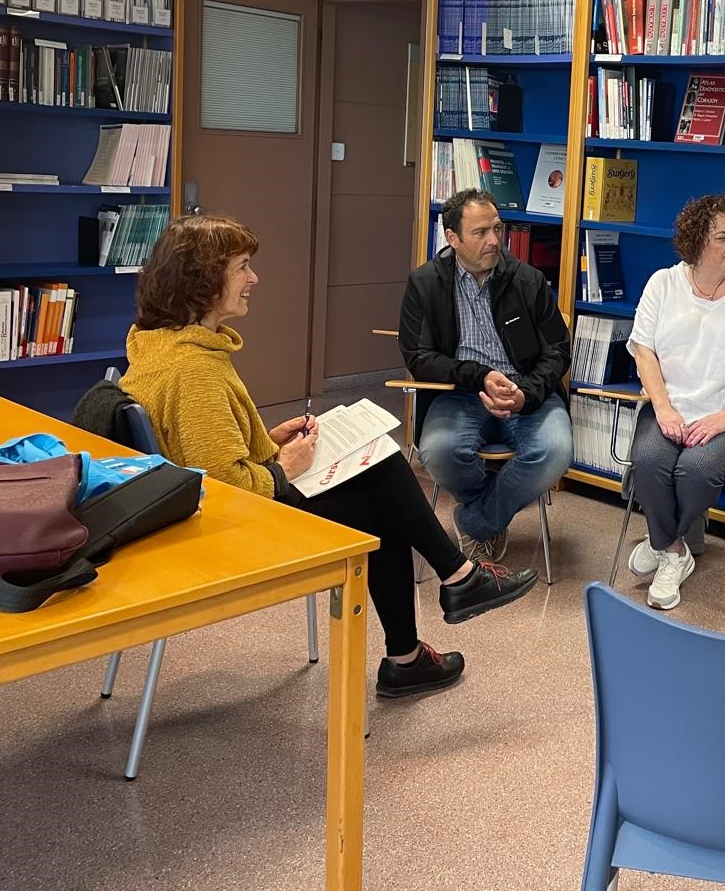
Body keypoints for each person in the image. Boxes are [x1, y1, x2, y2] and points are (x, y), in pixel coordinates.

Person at [120, 214, 537, 701]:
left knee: (380, 478)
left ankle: (429, 623)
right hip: (229, 528)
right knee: (384, 494)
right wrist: (282, 467)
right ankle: (446, 595)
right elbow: (227, 488)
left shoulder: (161, 345)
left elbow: (205, 446)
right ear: (203, 280)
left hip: (214, 508)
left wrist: (265, 441)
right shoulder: (194, 370)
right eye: (242, 268)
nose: (254, 279)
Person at [624, 194, 725, 610]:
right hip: (672, 406)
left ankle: (659, 543)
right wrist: (662, 408)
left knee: (696, 466)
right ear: (696, 241)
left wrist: (724, 418)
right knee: (650, 459)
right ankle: (674, 550)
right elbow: (644, 351)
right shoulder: (664, 283)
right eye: (722, 237)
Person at [399, 188, 574, 562]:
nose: (494, 240)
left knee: (556, 449)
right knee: (439, 451)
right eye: (481, 232)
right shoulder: (425, 283)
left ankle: (478, 520)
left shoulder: (527, 281)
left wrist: (525, 393)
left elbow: (558, 350)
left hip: (526, 391)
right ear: (452, 238)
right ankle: (495, 508)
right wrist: (479, 376)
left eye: (497, 228)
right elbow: (418, 357)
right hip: (458, 391)